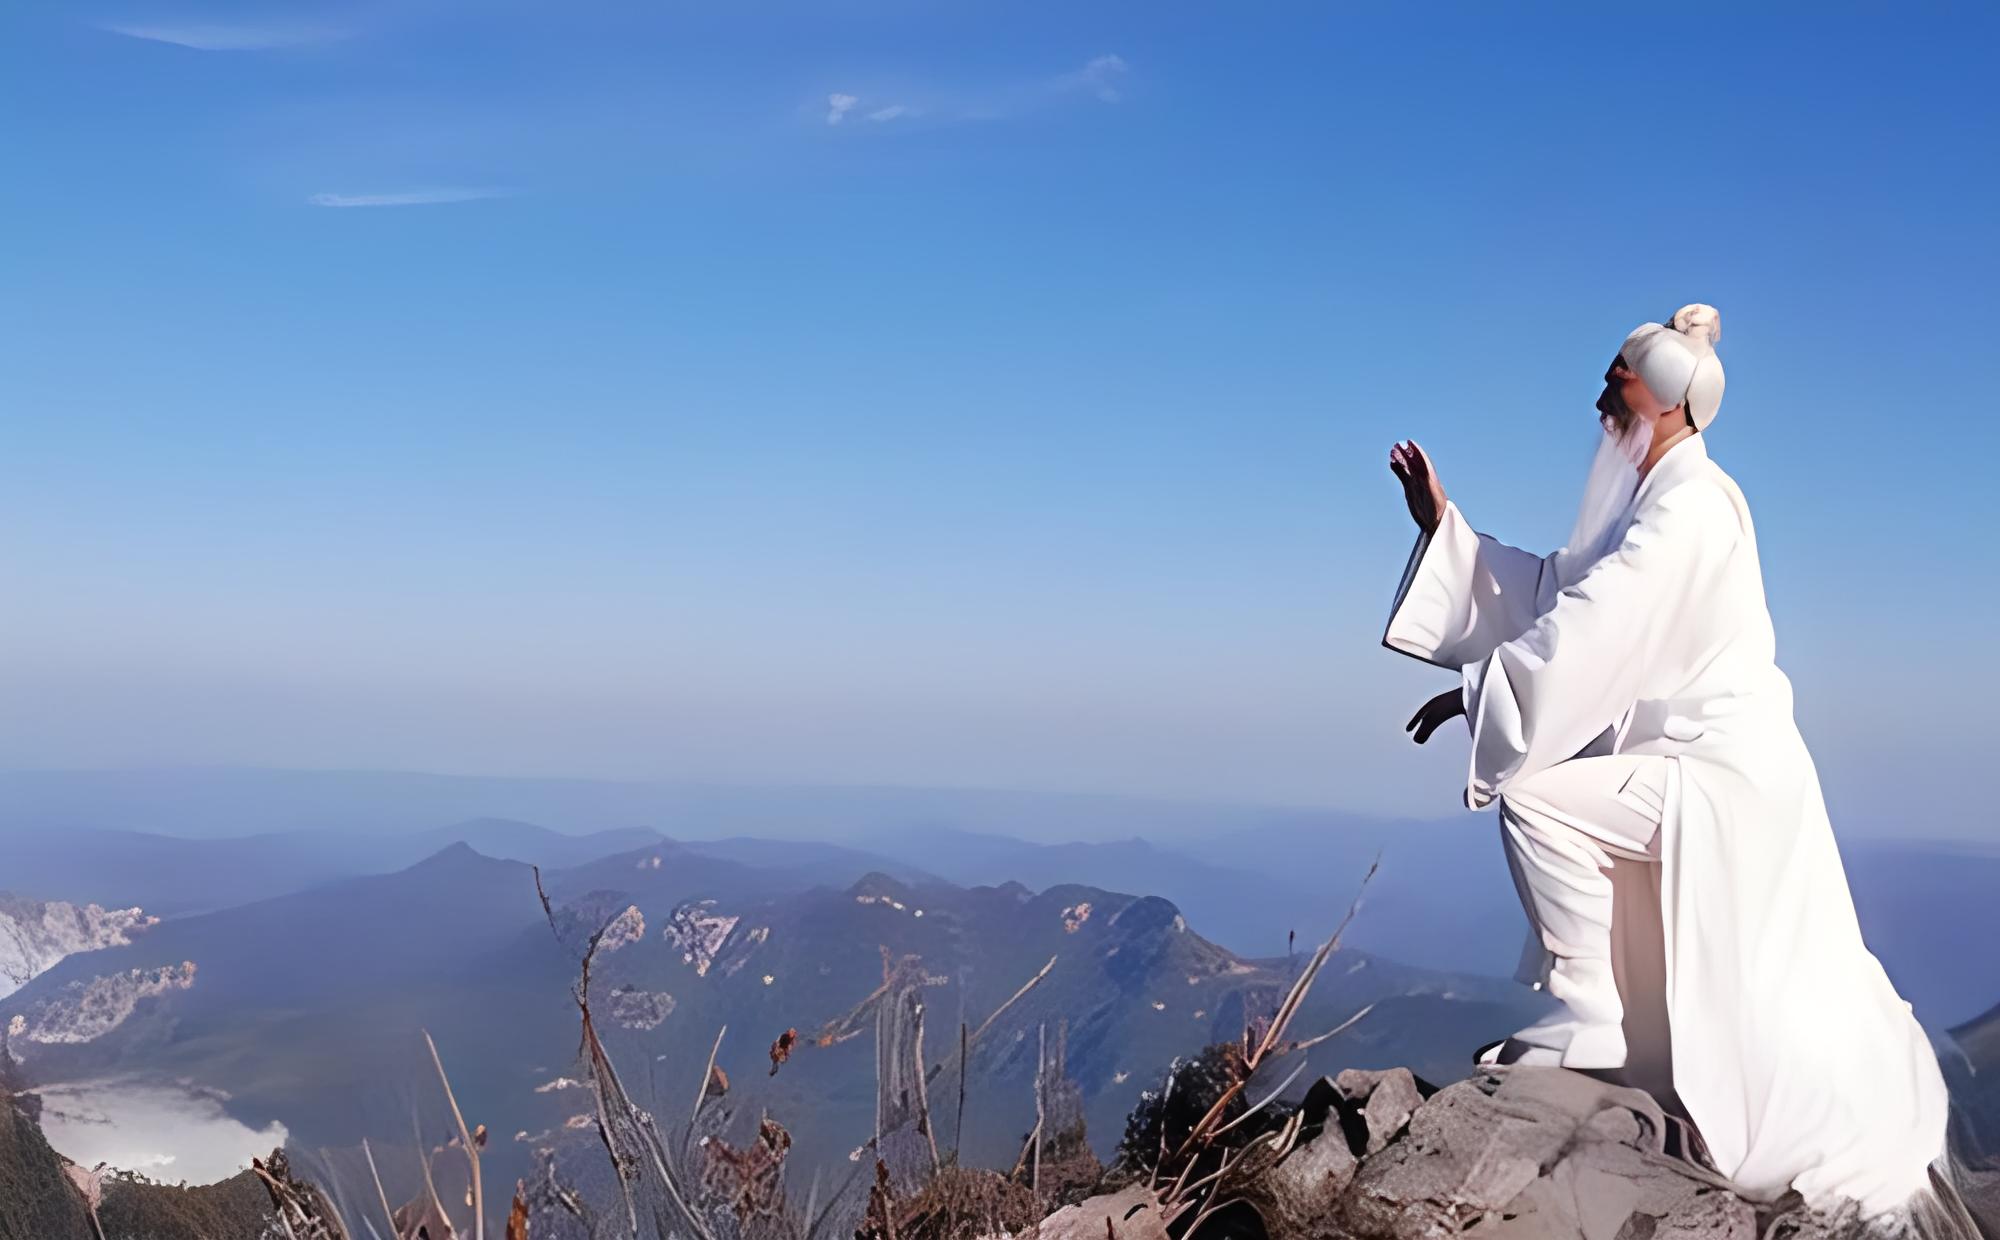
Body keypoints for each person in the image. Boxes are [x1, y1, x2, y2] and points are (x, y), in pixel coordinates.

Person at [1382, 305, 1956, 1224]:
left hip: (1721, 781)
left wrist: (1480, 691)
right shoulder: (1654, 503)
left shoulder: (1689, 509)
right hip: (1707, 773)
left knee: (1534, 800)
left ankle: (1592, 1016)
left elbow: (1597, 623)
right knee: (1550, 805)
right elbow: (1558, 590)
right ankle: (1610, 1025)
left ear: (1670, 403)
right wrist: (1447, 526)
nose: (1601, 395)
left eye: (1617, 379)